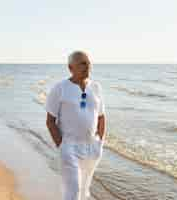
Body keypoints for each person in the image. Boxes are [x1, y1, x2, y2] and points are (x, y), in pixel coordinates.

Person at [45, 50, 106, 200]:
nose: (87, 67)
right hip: (69, 147)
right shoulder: (60, 88)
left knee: (85, 191)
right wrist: (62, 146)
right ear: (71, 68)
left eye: (89, 63)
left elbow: (101, 117)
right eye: (82, 63)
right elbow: (50, 121)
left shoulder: (96, 87)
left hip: (92, 147)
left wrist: (100, 142)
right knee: (73, 191)